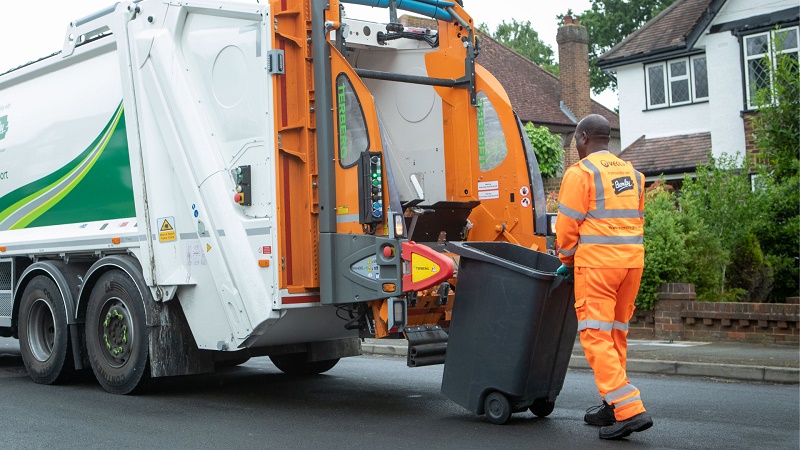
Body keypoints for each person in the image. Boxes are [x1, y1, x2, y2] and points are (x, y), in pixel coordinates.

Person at [554, 114, 653, 440]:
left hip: (597, 267)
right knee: (614, 335)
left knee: (596, 337)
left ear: (582, 138)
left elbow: (567, 227)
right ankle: (612, 404)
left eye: (574, 143)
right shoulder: (634, 175)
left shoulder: (581, 175)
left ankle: (629, 410)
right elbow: (635, 221)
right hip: (631, 265)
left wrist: (567, 260)